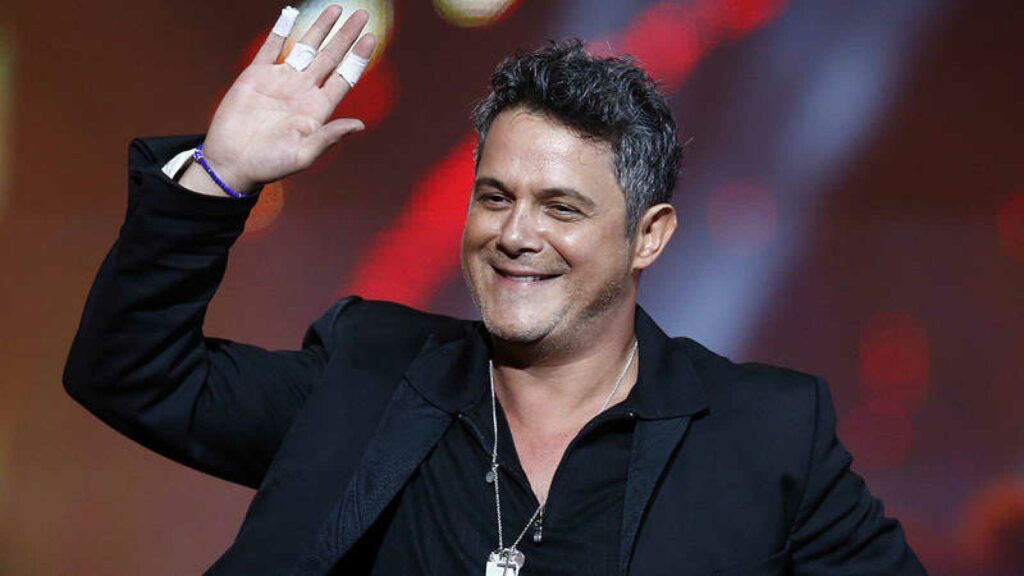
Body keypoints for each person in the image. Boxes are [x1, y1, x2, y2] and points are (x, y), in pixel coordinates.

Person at [63, 5, 927, 575]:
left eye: (562, 207)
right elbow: (130, 373)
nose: (515, 234)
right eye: (495, 197)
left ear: (650, 236)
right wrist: (218, 176)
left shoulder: (767, 435)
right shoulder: (366, 376)